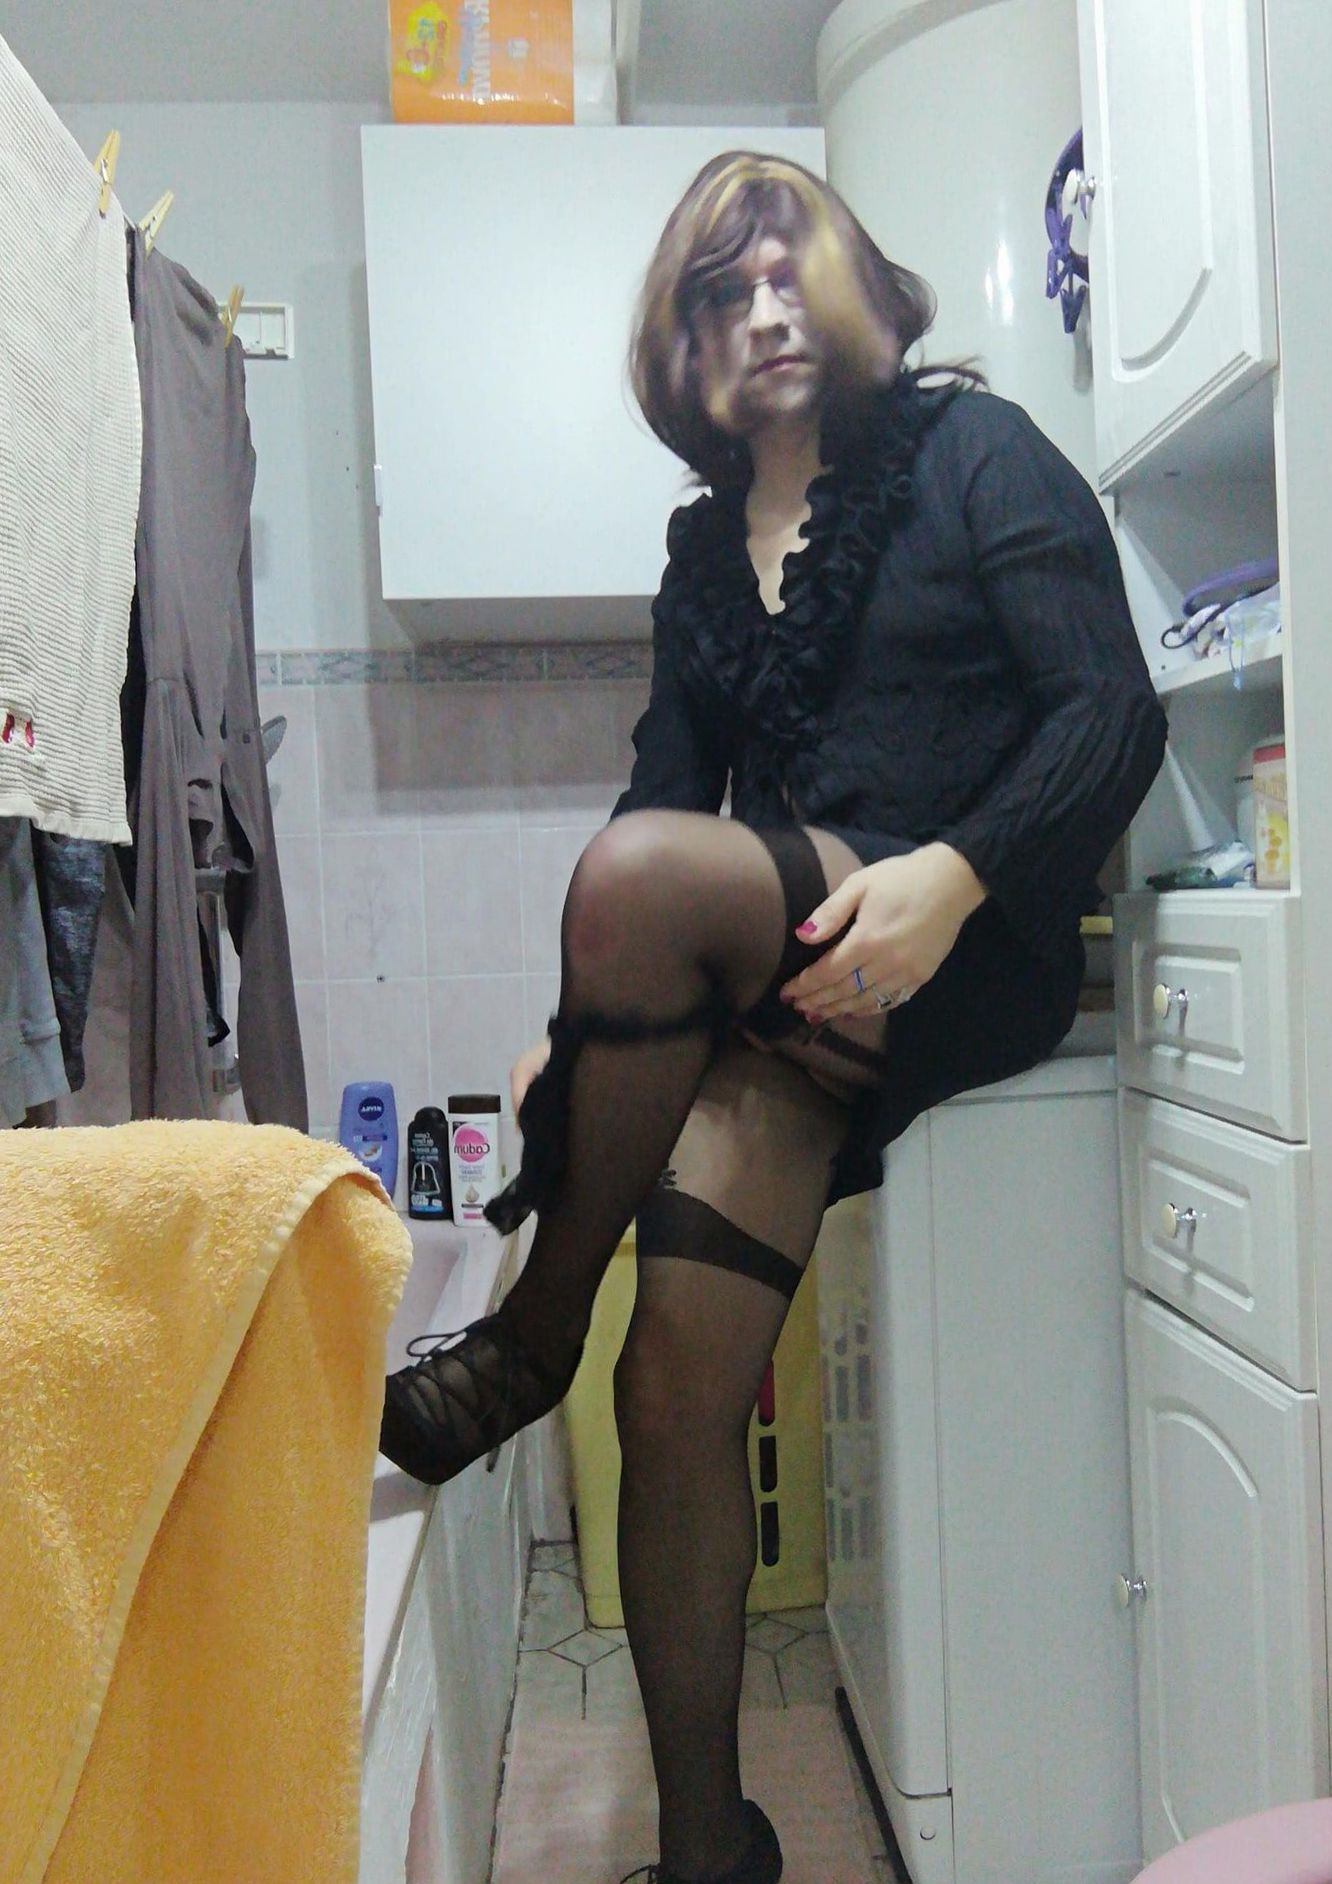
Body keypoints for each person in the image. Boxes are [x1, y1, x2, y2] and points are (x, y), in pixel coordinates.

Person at [380, 151, 1168, 1884]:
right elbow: (668, 798)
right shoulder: (702, 548)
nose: (762, 312)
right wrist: (583, 1028)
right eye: (719, 295)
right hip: (795, 985)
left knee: (640, 881)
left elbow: (1111, 713)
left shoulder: (975, 453)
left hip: (963, 944)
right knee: (673, 1389)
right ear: (687, 353)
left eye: (786, 272)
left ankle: (525, 1340)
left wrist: (957, 874)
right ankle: (708, 1851)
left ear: (861, 288)